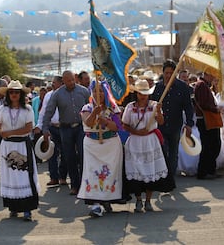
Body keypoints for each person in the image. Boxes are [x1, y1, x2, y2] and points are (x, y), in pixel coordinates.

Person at [123, 79, 173, 213]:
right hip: (135, 142)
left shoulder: (154, 105)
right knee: (136, 170)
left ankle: (148, 201)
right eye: (140, 93)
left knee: (150, 169)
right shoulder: (130, 107)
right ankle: (138, 200)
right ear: (137, 93)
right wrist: (137, 132)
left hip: (150, 142)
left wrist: (159, 112)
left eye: (145, 93)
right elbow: (125, 124)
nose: (143, 96)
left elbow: (161, 122)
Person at [78, 80, 126, 217]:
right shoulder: (87, 108)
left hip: (110, 144)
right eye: (95, 91)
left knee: (109, 173)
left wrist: (105, 121)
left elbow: (117, 127)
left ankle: (107, 199)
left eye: (101, 90)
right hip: (92, 145)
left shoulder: (113, 108)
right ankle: (95, 203)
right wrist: (95, 113)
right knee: (93, 173)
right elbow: (88, 122)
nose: (98, 93)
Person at [0, 80, 40, 221]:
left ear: (21, 94)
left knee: (24, 175)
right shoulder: (2, 110)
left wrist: (9, 133)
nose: (14, 95)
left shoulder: (27, 109)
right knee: (10, 176)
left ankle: (27, 209)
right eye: (11, 92)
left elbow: (28, 128)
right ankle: (13, 207)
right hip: (7, 147)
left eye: (16, 92)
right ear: (8, 94)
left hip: (22, 146)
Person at [42, 70, 90, 195]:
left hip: (81, 127)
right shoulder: (57, 94)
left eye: (73, 80)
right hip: (65, 128)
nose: (71, 83)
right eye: (68, 81)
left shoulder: (84, 91)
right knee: (69, 157)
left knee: (83, 154)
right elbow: (49, 111)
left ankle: (85, 184)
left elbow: (91, 107)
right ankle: (75, 185)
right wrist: (45, 129)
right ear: (63, 81)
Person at [150, 60, 194, 177]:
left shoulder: (182, 87)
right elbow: (151, 106)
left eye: (171, 73)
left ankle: (171, 177)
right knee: (162, 151)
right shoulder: (157, 88)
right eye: (166, 73)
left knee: (173, 153)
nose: (169, 75)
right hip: (160, 126)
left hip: (175, 125)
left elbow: (188, 107)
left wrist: (189, 124)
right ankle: (163, 176)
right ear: (163, 73)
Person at [35, 76, 68, 186]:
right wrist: (40, 126)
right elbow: (43, 112)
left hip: (64, 127)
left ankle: (63, 176)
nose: (52, 84)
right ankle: (54, 177)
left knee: (65, 152)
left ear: (61, 83)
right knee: (51, 153)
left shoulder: (67, 94)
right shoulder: (48, 95)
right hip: (52, 127)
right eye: (52, 83)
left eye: (54, 82)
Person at [193, 70, 222, 180]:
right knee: (209, 146)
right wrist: (215, 109)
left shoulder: (204, 85)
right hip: (206, 119)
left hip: (208, 119)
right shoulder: (201, 85)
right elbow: (203, 104)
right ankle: (204, 171)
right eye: (211, 74)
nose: (213, 76)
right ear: (207, 74)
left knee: (212, 145)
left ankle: (210, 170)